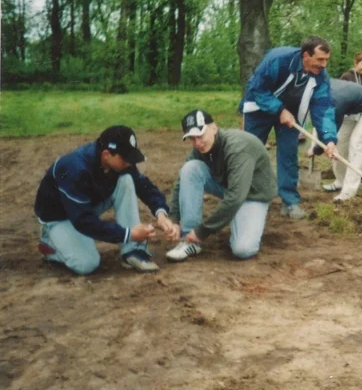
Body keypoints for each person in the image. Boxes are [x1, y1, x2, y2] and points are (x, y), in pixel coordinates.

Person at [34, 125, 179, 275]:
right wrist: (129, 234)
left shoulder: (119, 162)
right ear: (106, 154)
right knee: (87, 264)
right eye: (126, 158)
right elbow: (83, 221)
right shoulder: (73, 168)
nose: (130, 163)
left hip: (85, 207)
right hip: (60, 218)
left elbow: (144, 186)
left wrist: (161, 214)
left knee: (127, 179)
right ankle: (50, 244)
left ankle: (133, 251)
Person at [241, 36, 338, 219]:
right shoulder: (278, 60)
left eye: (326, 60)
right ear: (306, 55)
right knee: (249, 151)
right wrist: (279, 110)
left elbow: (323, 108)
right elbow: (258, 89)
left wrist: (329, 139)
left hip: (292, 113)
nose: (324, 65)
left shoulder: (321, 77)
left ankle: (290, 201)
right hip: (259, 107)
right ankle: (244, 195)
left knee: (289, 153)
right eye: (320, 59)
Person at [165, 110, 277, 262]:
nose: (197, 142)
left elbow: (236, 197)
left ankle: (238, 218)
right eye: (192, 138)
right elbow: (181, 181)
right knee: (190, 169)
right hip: (229, 187)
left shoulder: (238, 147)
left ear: (214, 128)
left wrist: (202, 231)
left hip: (253, 195)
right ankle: (189, 241)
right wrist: (173, 219)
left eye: (200, 135)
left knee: (243, 250)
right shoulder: (201, 147)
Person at [319, 58, 362, 201]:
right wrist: (317, 145)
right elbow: (322, 121)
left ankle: (349, 191)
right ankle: (340, 181)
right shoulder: (323, 91)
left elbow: (334, 122)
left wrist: (319, 147)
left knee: (356, 144)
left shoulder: (335, 97)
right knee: (340, 143)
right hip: (351, 109)